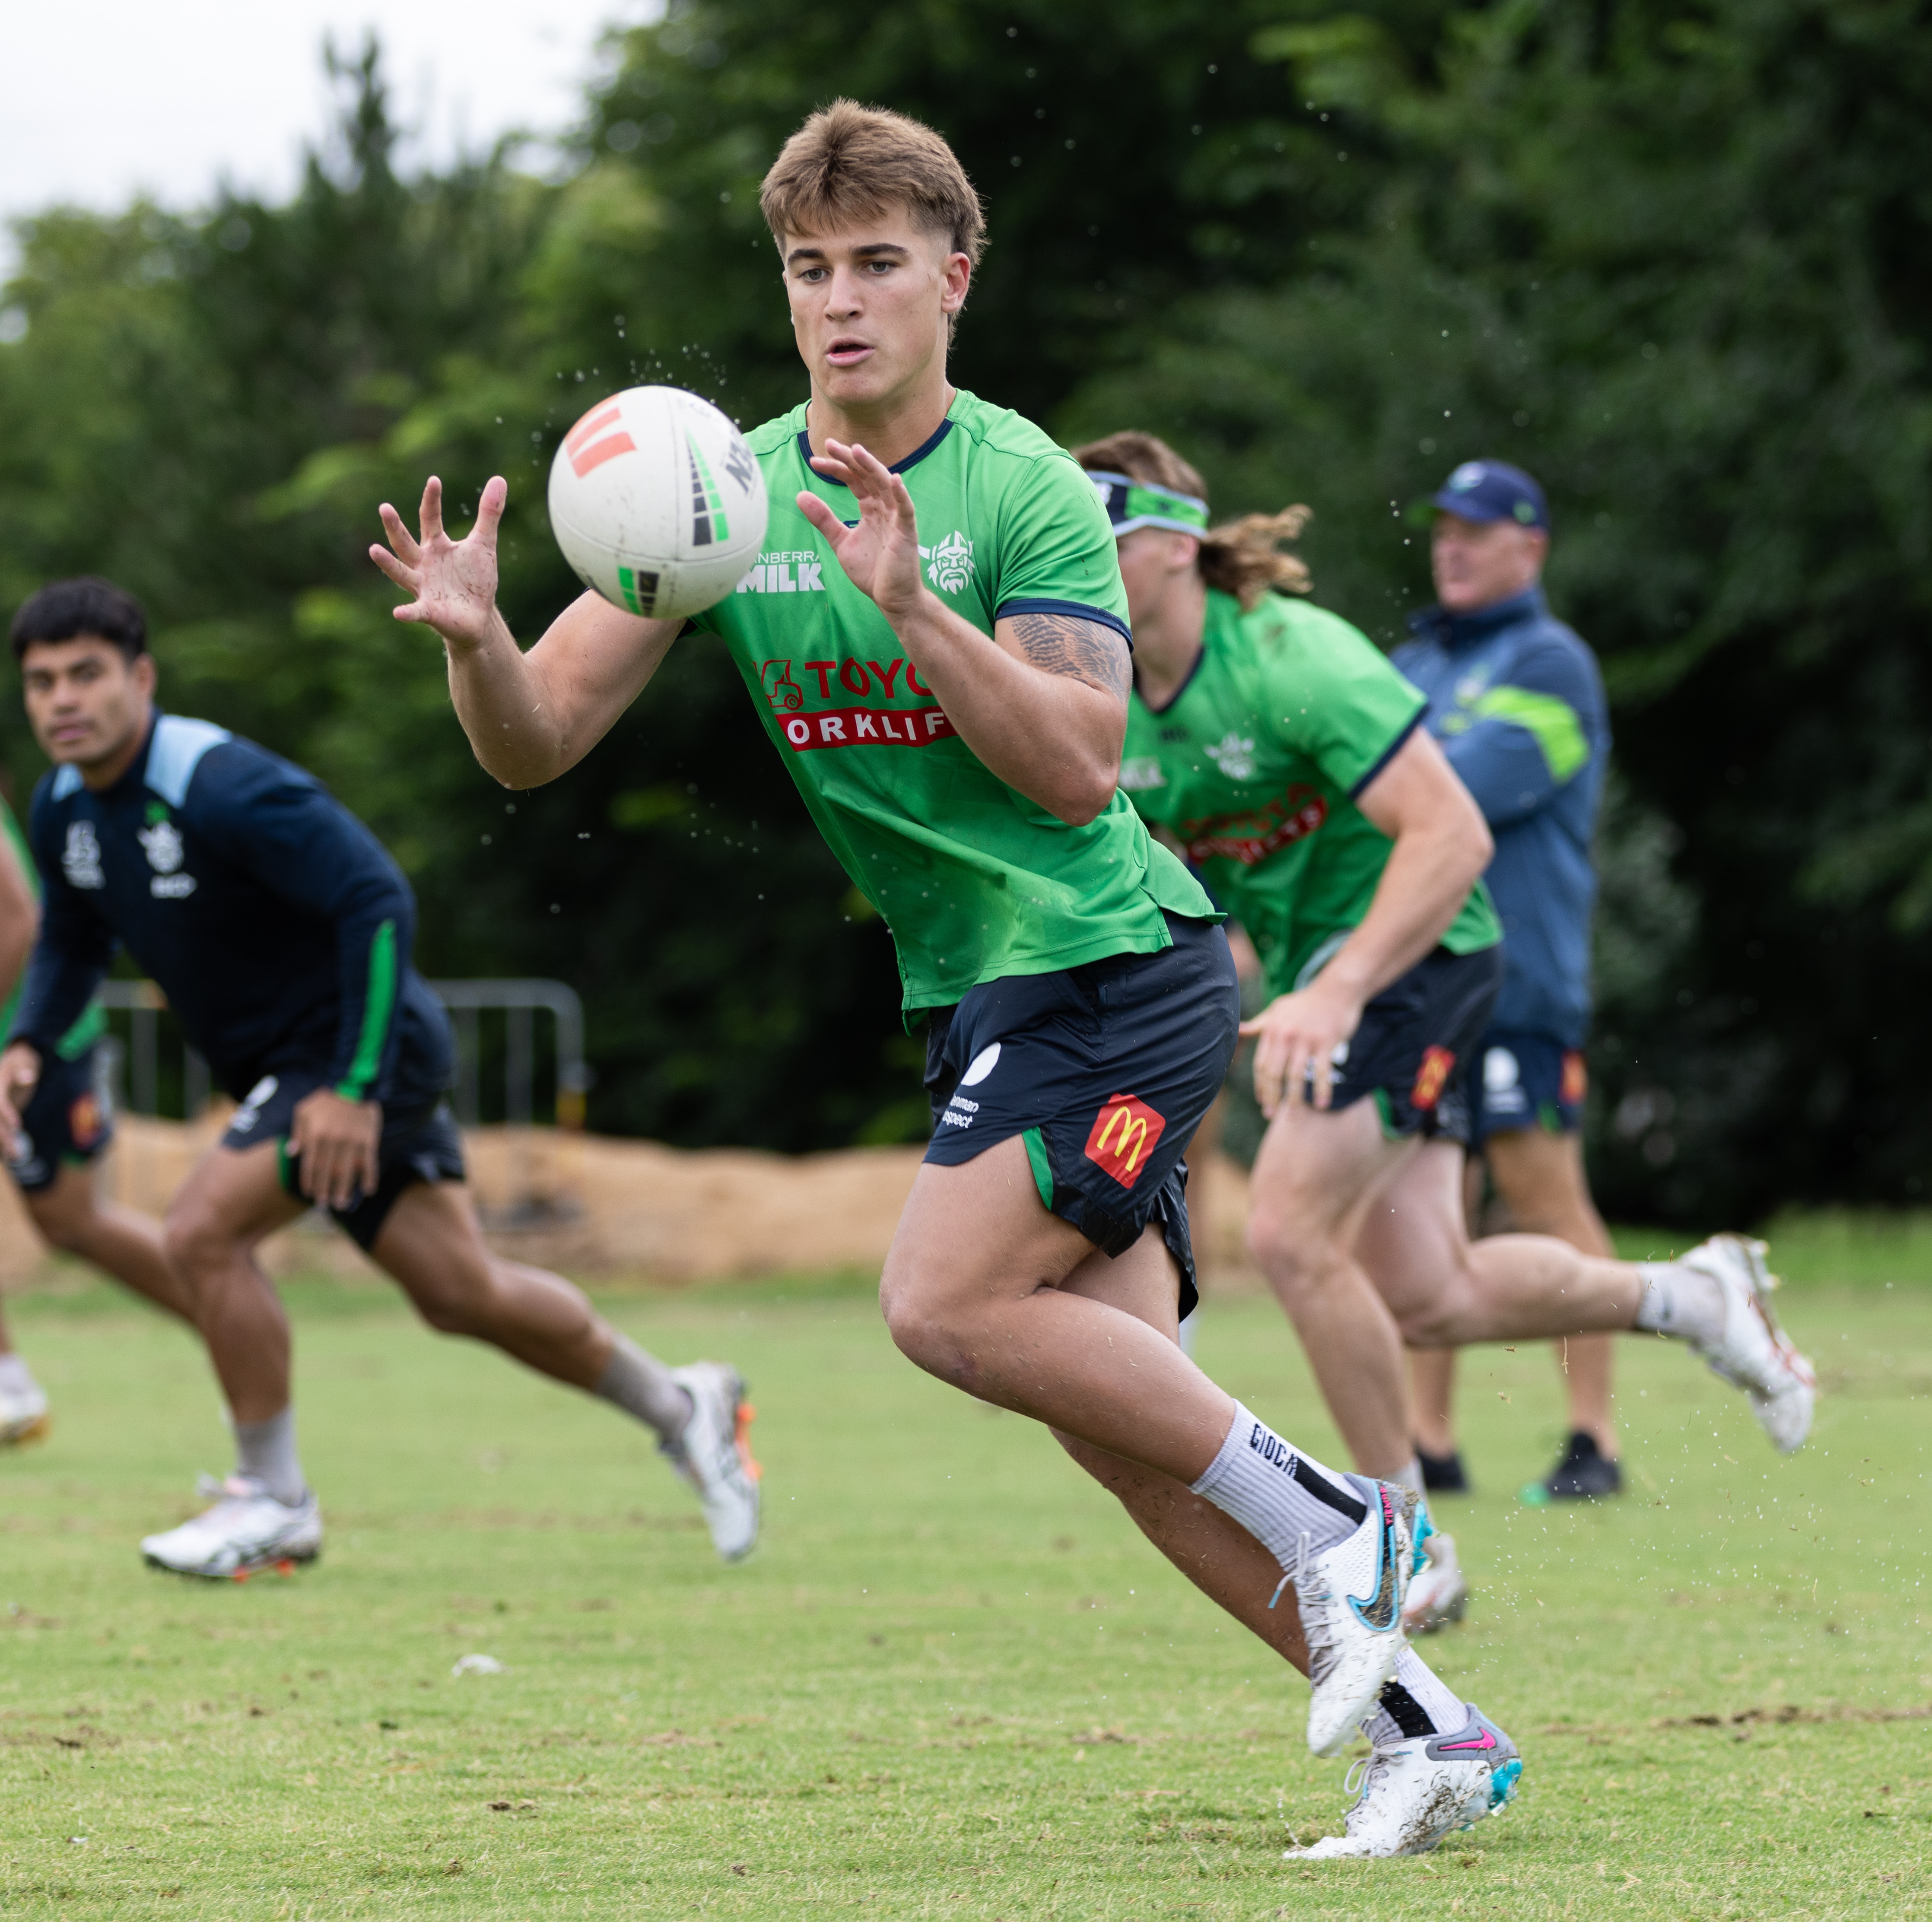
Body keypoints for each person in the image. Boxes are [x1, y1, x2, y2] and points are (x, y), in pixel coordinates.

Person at [372, 99, 1524, 1860]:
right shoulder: (720, 490)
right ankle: (1426, 1733)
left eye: (876, 265)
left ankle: (1358, 1520)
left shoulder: (1026, 487)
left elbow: (1078, 763)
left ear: (952, 279)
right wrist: (475, 645)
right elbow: (535, 744)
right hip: (983, 993)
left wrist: (914, 603)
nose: (838, 303)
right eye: (806, 269)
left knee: (939, 1302)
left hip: (1111, 962)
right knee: (1125, 1436)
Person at [1073, 426, 1815, 1650]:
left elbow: (1456, 836)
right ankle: (1693, 1297)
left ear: (1175, 545)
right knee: (1431, 1290)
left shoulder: (1295, 656)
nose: (1076, 557)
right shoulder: (1107, 701)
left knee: (1289, 1231)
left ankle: (1401, 1536)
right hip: (1340, 973)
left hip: (1426, 952)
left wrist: (1340, 988)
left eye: (1101, 530)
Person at [0, 577, 760, 1575]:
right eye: (42, 681)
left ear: (140, 678)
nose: (63, 699)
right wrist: (31, 1040)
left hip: (361, 1056)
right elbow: (70, 936)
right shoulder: (64, 808)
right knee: (462, 1294)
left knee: (200, 1232)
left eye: (87, 675)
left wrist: (352, 1088)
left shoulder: (219, 782)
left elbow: (374, 896)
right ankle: (683, 1403)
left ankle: (272, 1497)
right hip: (300, 1067)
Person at [1391, 460, 1621, 1500]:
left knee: (1543, 1199)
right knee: (1428, 1206)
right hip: (1422, 979)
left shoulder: (1553, 661)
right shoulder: (1415, 660)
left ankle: (1593, 1439)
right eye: (1444, 528)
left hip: (1518, 981)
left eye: (1477, 531)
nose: (1453, 546)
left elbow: (1453, 792)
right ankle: (1428, 1445)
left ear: (1529, 548)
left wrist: (1388, 767)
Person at [0, 786, 201, 1446]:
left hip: (35, 1041)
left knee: (71, 1220)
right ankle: (10, 1384)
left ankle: (231, 1318)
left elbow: (17, 919)